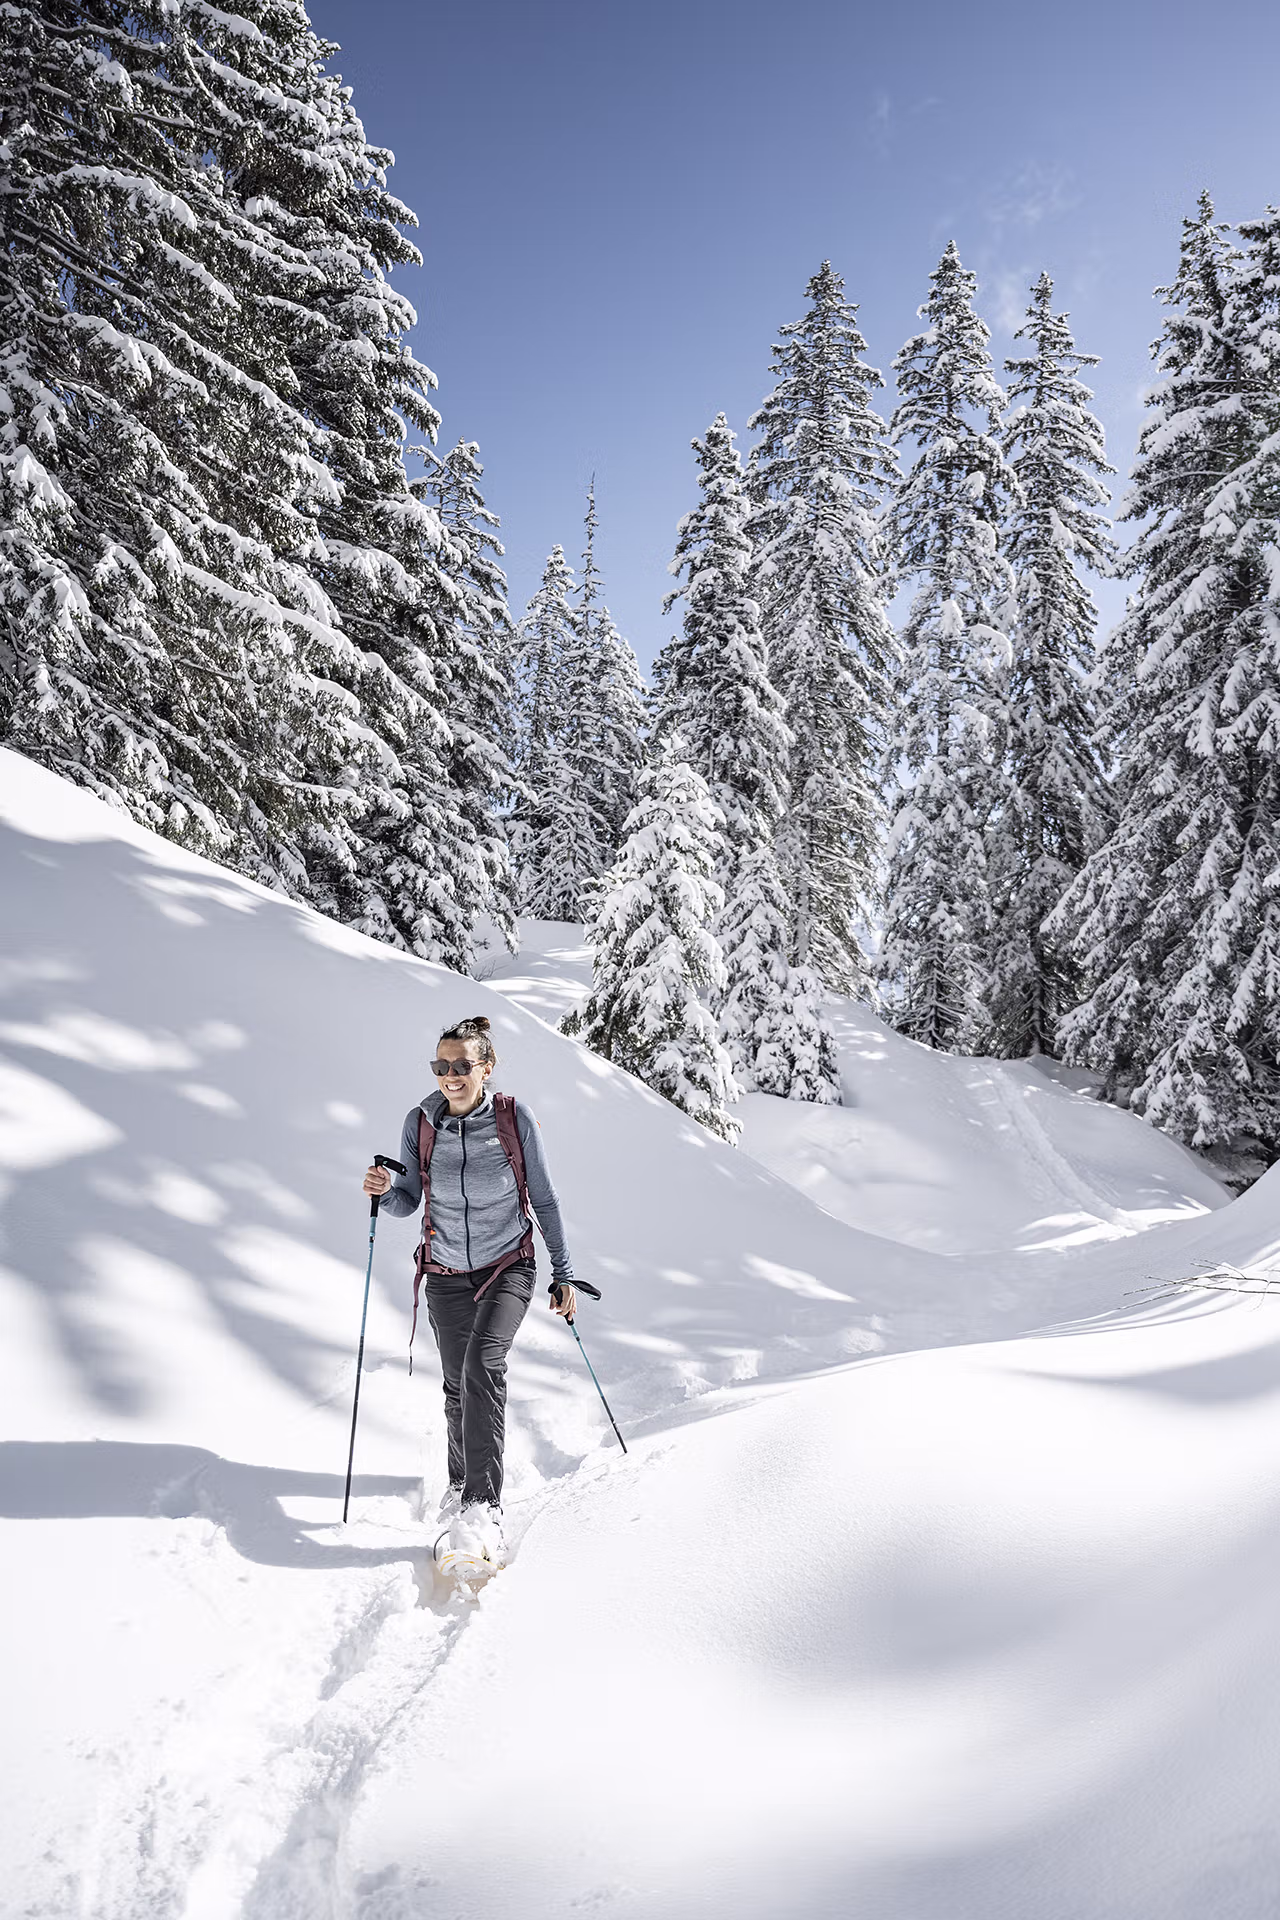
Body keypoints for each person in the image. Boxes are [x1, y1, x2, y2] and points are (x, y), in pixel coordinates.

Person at [362, 1014, 576, 1568]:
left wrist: (563, 1273)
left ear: (487, 1066)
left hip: (509, 1265)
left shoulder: (512, 1118)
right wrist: (385, 1192)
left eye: (461, 1065)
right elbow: (409, 1199)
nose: (450, 1076)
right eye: (441, 1066)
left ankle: (485, 1508)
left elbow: (545, 1200)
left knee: (484, 1364)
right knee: (458, 1384)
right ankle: (461, 1487)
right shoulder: (421, 1122)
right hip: (445, 1272)